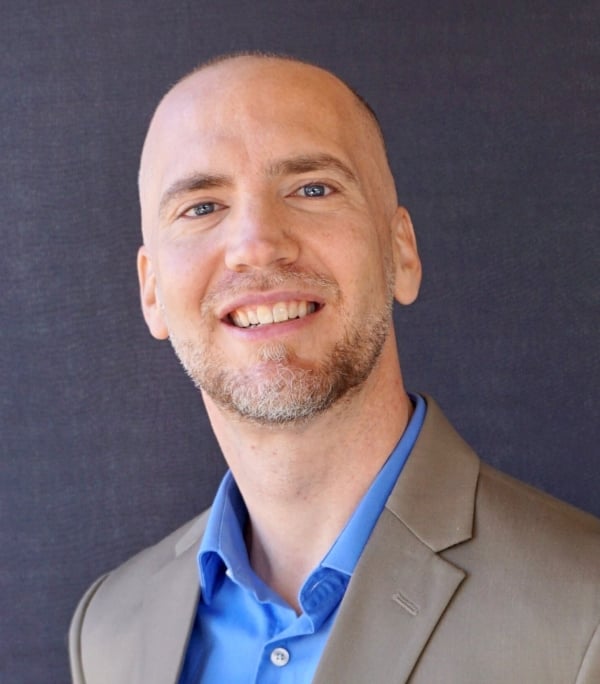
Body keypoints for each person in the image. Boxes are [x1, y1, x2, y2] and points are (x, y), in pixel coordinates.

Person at [69, 53, 600, 684]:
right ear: (152, 292)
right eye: (202, 207)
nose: (257, 243)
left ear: (400, 252)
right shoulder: (109, 628)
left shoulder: (583, 612)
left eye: (312, 189)